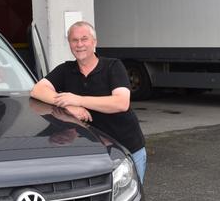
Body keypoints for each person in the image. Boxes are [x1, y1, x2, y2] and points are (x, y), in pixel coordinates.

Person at [30, 21, 147, 182]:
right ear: (69, 44)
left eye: (84, 39)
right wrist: (69, 105)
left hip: (127, 148)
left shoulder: (113, 66)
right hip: (93, 152)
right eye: (74, 40)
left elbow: (121, 103)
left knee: (129, 198)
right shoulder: (66, 70)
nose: (79, 44)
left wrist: (78, 100)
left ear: (94, 42)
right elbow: (37, 90)